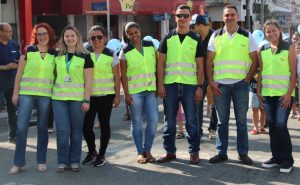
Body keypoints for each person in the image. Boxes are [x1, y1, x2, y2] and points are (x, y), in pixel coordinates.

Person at [206, 5, 258, 165]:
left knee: (241, 121)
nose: (229, 17)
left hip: (240, 85)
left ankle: (243, 153)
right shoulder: (215, 35)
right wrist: (211, 82)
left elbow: (255, 60)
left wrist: (248, 78)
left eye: (232, 15)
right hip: (220, 85)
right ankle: (221, 152)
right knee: (222, 122)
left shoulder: (247, 36)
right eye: (227, 15)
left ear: (237, 17)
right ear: (223, 17)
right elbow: (209, 61)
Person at [157, 5, 204, 164]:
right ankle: (170, 151)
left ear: (190, 18)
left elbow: (200, 65)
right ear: (174, 17)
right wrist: (160, 85)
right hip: (169, 85)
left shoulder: (196, 39)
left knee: (191, 120)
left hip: (190, 86)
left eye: (185, 15)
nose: (182, 18)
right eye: (179, 15)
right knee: (169, 121)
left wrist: (199, 86)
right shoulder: (167, 38)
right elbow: (161, 63)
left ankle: (194, 152)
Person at [9, 23, 56, 174]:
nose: (42, 36)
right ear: (36, 36)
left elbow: (57, 75)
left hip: (45, 95)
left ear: (49, 35)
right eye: (39, 34)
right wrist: (15, 94)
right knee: (21, 128)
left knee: (42, 128)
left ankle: (41, 161)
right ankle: (19, 163)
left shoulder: (54, 54)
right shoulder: (28, 51)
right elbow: (19, 74)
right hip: (26, 94)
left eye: (45, 34)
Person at [52, 25, 93, 172]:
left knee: (76, 131)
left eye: (72, 36)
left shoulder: (85, 55)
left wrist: (86, 99)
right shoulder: (56, 55)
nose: (70, 38)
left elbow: (88, 80)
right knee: (62, 132)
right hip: (58, 98)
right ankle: (62, 161)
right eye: (67, 36)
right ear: (63, 38)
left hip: (77, 99)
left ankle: (75, 161)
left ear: (77, 38)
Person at [257, 19, 296, 173]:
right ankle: (276, 157)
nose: (271, 33)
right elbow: (261, 71)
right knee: (272, 125)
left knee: (280, 125)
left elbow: (294, 73)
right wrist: (259, 90)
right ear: (265, 34)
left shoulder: (289, 47)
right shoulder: (263, 49)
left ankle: (287, 160)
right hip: (267, 95)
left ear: (279, 30)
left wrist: (288, 94)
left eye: (274, 30)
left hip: (283, 95)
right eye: (268, 31)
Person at [120, 22, 159, 164]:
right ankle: (140, 152)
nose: (134, 35)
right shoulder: (125, 51)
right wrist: (126, 94)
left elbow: (157, 65)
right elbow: (122, 74)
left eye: (136, 32)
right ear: (127, 35)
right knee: (137, 123)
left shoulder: (150, 45)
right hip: (134, 92)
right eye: (130, 33)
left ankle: (147, 150)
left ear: (140, 31)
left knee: (153, 121)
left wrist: (159, 86)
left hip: (150, 90)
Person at [82, 25, 120, 167]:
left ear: (104, 37)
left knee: (104, 126)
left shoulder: (111, 54)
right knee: (86, 127)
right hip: (89, 96)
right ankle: (92, 152)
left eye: (99, 37)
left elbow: (117, 77)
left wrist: (117, 96)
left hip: (106, 96)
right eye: (93, 37)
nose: (96, 40)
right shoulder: (85, 53)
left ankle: (102, 155)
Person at [190, 14, 218, 140]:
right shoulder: (195, 38)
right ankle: (198, 131)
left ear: (201, 25)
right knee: (197, 104)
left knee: (214, 105)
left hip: (214, 77)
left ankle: (212, 128)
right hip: (199, 78)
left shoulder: (216, 37)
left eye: (193, 25)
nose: (191, 27)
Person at [0, 22, 19, 143]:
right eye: (8, 31)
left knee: (13, 111)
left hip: (12, 84)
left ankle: (13, 136)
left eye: (11, 31)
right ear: (1, 33)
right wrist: (6, 67)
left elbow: (19, 60)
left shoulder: (13, 44)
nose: (11, 33)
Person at [289, 32, 300, 119]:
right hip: (291, 78)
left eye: (296, 38)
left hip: (298, 78)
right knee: (293, 96)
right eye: (293, 38)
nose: (295, 40)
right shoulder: (288, 49)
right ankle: (292, 112)